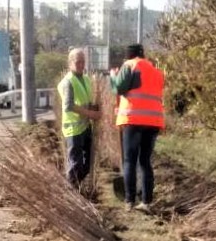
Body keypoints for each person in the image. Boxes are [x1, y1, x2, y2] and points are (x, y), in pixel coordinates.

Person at [110, 43, 165, 211]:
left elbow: (118, 88)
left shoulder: (129, 65)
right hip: (154, 121)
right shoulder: (156, 71)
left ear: (129, 56)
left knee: (130, 160)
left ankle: (129, 201)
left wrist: (113, 76)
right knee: (145, 161)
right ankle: (147, 201)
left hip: (133, 119)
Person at [56, 48, 101, 188]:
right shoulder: (67, 82)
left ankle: (74, 187)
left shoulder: (86, 79)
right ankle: (70, 192)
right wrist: (91, 114)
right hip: (73, 129)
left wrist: (95, 109)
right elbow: (69, 106)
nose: (81, 64)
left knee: (87, 164)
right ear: (70, 63)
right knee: (75, 164)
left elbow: (85, 101)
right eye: (78, 62)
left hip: (86, 127)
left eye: (83, 61)